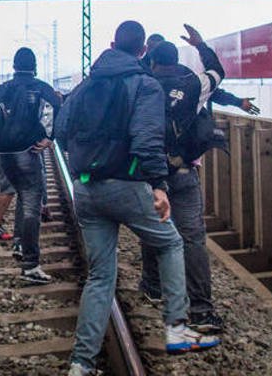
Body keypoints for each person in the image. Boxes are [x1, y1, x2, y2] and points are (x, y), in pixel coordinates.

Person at [55, 21, 219, 375]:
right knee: (172, 243)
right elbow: (147, 138)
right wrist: (158, 184)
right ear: (142, 51)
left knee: (101, 277)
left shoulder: (84, 87)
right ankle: (177, 327)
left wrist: (87, 159)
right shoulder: (143, 85)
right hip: (126, 185)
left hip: (86, 188)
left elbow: (61, 131)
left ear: (113, 44)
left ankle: (81, 364)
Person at [139, 25, 227, 333]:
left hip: (150, 175)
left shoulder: (141, 82)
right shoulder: (194, 83)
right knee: (192, 239)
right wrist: (201, 45)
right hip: (183, 171)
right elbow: (218, 72)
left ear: (151, 61)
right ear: (177, 60)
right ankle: (202, 310)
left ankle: (152, 286)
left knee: (153, 228)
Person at [0, 47, 60, 283]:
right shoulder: (41, 87)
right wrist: (49, 138)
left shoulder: (2, 89)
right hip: (28, 151)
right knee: (32, 203)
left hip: (4, 153)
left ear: (14, 66)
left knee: (23, 195)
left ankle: (19, 244)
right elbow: (57, 109)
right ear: (34, 66)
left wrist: (0, 135)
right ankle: (30, 265)